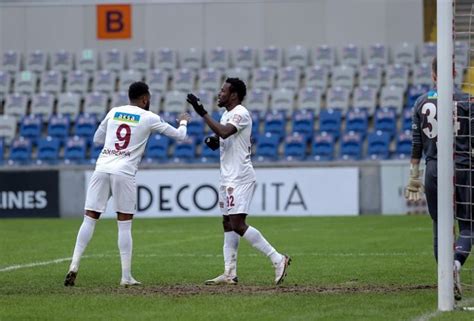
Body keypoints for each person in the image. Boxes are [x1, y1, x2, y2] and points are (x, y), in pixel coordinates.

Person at [64, 81, 190, 287]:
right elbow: (180, 137)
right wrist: (184, 121)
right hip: (124, 172)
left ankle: (73, 265)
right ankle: (126, 277)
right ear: (145, 98)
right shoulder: (149, 117)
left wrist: (112, 145)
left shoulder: (114, 112)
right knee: (124, 224)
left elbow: (97, 139)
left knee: (89, 218)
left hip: (102, 168)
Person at [186, 78, 291, 285]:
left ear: (233, 95)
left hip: (240, 177)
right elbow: (225, 137)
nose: (219, 93)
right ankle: (229, 273)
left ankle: (278, 259)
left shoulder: (241, 113)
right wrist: (215, 141)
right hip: (227, 177)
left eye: (223, 91)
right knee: (227, 223)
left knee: (237, 223)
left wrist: (202, 112)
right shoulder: (226, 114)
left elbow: (225, 131)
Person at [405, 57, 473, 300]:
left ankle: (444, 281)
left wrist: (414, 176)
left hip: (433, 169)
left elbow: (416, 144)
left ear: (433, 75)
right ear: (453, 73)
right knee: (468, 226)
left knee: (439, 225)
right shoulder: (466, 100)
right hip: (462, 167)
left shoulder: (421, 103)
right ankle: (455, 265)